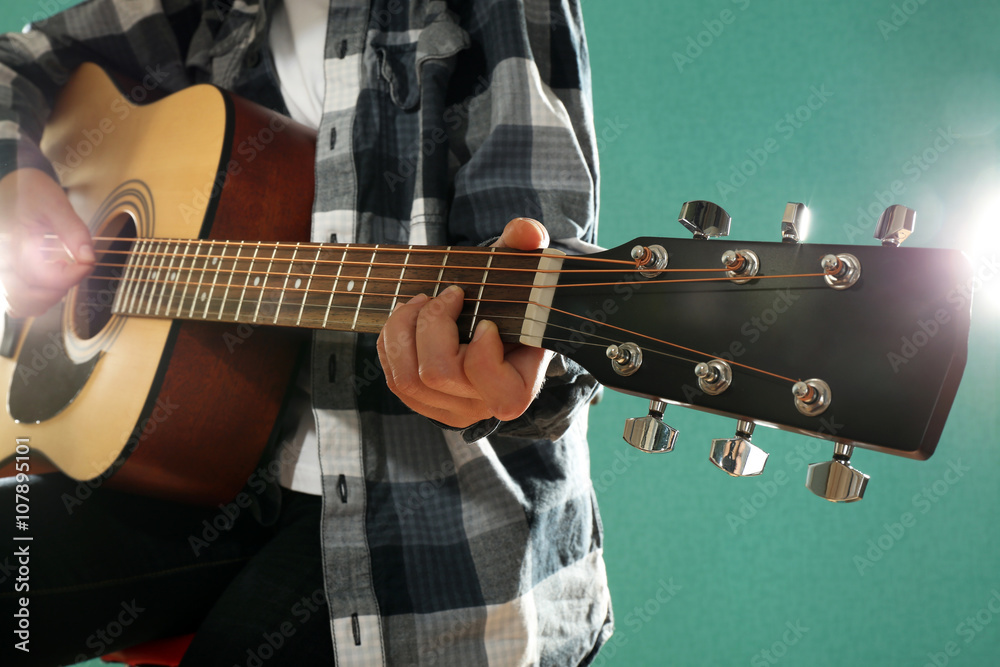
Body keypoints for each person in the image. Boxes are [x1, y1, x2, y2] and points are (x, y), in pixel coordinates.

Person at [0, 0, 612, 665]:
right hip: (202, 462)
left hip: (426, 512)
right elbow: (14, 59)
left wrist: (514, 374)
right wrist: (17, 176)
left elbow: (539, 267)